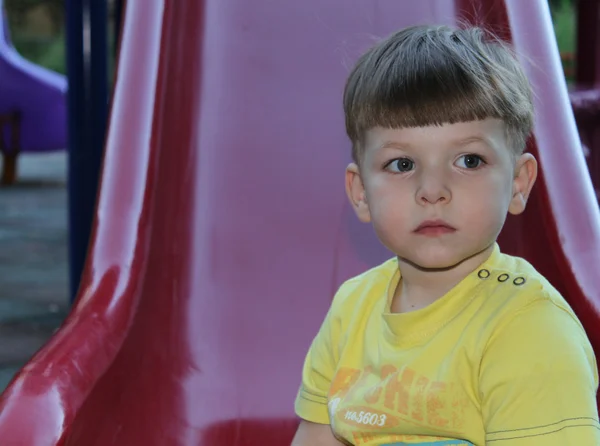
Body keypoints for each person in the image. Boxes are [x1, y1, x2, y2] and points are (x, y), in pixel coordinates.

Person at [291, 24, 600, 445]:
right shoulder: (353, 307)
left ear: (518, 183)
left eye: (469, 160)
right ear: (361, 193)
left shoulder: (528, 329)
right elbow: (316, 437)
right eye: (402, 164)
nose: (432, 189)